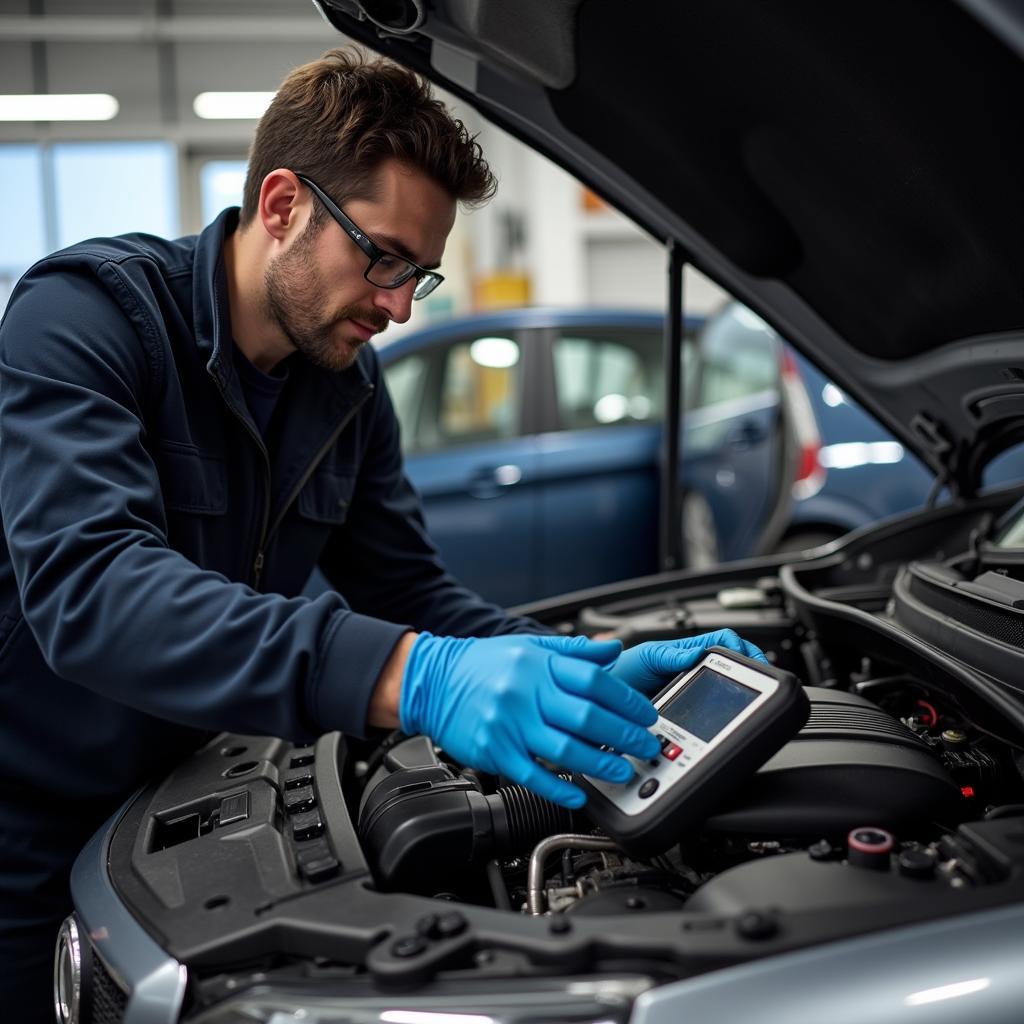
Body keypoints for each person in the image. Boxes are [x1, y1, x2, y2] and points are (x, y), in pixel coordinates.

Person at [0, 48, 765, 1019]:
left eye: (422, 274)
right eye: (384, 258)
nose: (401, 306)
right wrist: (418, 675)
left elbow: (410, 593)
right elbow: (94, 593)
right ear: (283, 205)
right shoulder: (89, 316)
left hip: (180, 806)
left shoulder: (347, 394)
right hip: (25, 820)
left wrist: (568, 667)